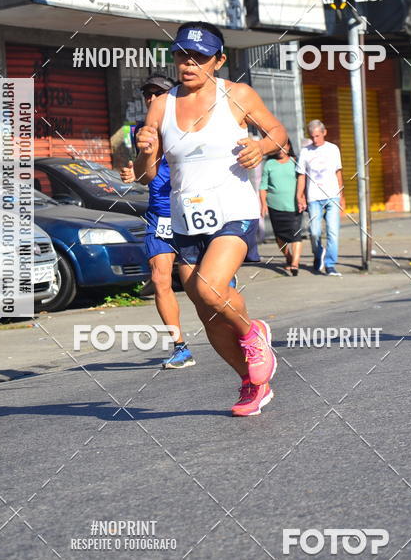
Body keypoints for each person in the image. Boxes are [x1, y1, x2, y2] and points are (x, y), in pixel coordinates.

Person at [134, 21, 288, 416]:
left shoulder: (237, 95)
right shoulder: (161, 104)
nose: (189, 64)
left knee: (209, 287)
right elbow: (146, 174)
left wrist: (262, 148)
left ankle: (255, 333)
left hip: (233, 209)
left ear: (218, 61)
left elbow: (277, 132)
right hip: (185, 218)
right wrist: (146, 148)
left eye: (199, 57)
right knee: (208, 313)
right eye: (182, 55)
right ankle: (253, 383)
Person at [120, 75, 195, 369]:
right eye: (147, 94)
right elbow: (143, 171)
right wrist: (132, 174)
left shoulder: (187, 124)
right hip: (159, 213)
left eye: (158, 93)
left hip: (190, 210)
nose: (152, 99)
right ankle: (180, 347)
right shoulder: (141, 131)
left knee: (195, 286)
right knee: (160, 278)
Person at [296, 120, 344, 276]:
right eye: (312, 136)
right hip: (314, 198)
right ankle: (318, 255)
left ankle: (330, 264)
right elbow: (301, 176)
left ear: (324, 133)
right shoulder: (305, 151)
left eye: (317, 136)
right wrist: (300, 196)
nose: (315, 139)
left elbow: (338, 173)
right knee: (314, 232)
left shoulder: (333, 149)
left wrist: (341, 195)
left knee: (333, 232)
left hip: (332, 196)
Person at [259, 138, 303, 275]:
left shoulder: (295, 162)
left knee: (296, 235)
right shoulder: (269, 164)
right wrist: (263, 204)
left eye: (283, 146)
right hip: (275, 206)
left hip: (294, 206)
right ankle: (289, 257)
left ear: (289, 146)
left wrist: (302, 197)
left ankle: (295, 264)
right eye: (277, 147)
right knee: (280, 237)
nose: (281, 149)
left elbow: (303, 180)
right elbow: (263, 186)